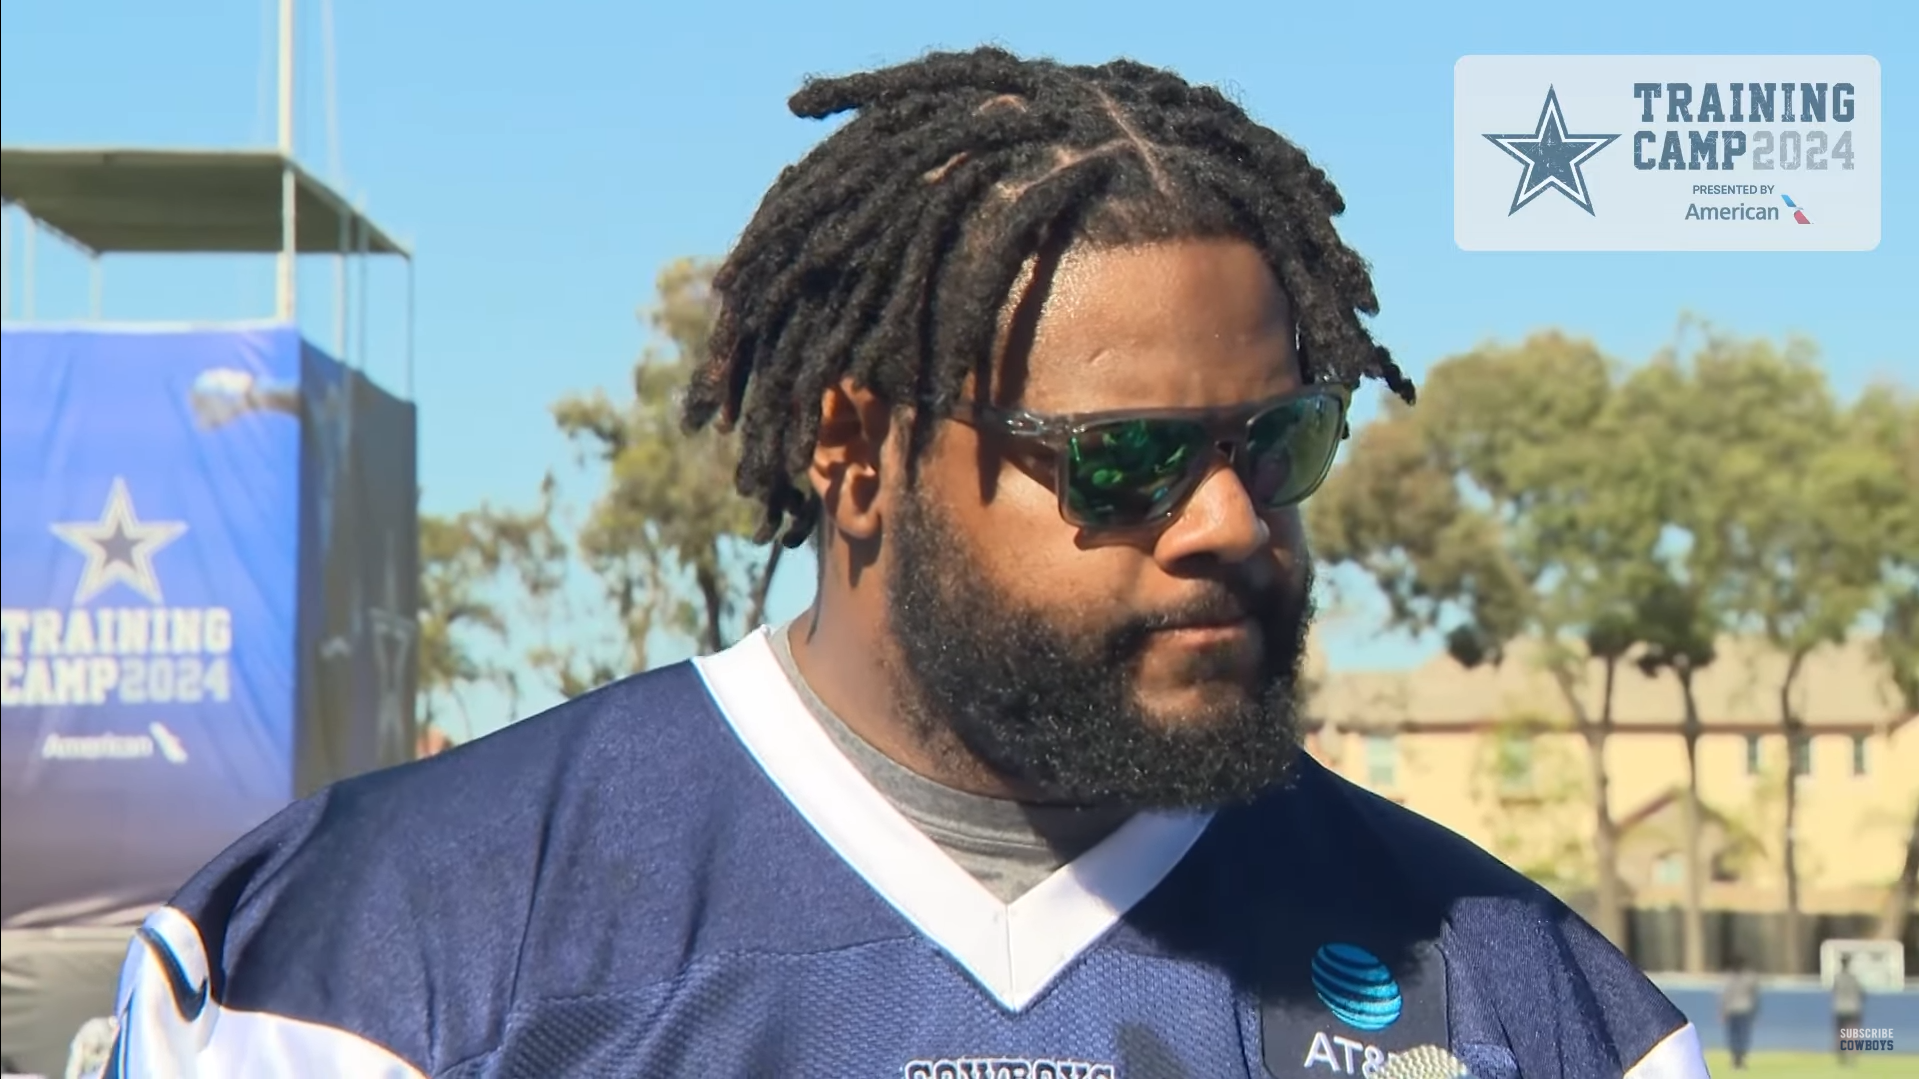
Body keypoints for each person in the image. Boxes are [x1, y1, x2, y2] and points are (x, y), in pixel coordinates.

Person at [104, 47, 1710, 1078]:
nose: (1228, 522)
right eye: (1127, 458)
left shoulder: (1529, 1003)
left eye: (1273, 442)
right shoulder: (390, 948)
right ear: (854, 449)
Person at [1719, 953, 1760, 1069]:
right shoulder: (1733, 978)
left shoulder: (1748, 978)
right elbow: (1725, 996)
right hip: (1739, 1010)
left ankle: (1738, 1057)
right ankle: (1737, 1057)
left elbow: (1754, 995)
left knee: (1740, 1034)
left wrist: (1723, 1010)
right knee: (1737, 1035)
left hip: (1741, 1010)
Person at [1832, 953, 1866, 1066]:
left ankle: (1841, 1055)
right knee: (1852, 1033)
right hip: (1853, 1008)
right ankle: (1852, 1055)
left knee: (1840, 1033)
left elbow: (1834, 992)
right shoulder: (1854, 978)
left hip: (1839, 1008)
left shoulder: (1837, 978)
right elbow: (1861, 993)